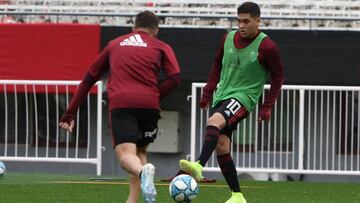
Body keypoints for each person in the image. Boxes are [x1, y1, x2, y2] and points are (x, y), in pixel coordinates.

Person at [59, 11, 181, 203]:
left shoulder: (115, 44)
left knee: (126, 156)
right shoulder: (162, 46)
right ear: (156, 31)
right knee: (140, 152)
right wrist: (156, 96)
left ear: (133, 28)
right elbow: (174, 77)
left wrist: (70, 112)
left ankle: (143, 173)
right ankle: (132, 200)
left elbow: (89, 79)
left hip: (122, 104)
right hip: (149, 106)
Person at [179, 2, 284, 203]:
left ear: (257, 21)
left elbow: (278, 78)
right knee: (222, 146)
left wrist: (267, 106)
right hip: (222, 96)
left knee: (214, 122)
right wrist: (208, 92)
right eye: (239, 21)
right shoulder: (227, 38)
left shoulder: (268, 47)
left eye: (246, 21)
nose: (242, 25)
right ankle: (237, 195)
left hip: (244, 98)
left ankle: (199, 165)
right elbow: (217, 65)